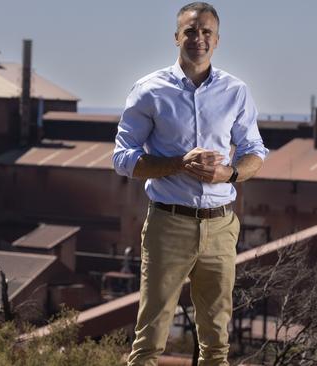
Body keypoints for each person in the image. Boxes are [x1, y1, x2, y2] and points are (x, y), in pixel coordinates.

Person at [112, 2, 268, 365]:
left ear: (217, 40)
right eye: (191, 31)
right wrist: (177, 164)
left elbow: (255, 151)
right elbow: (122, 158)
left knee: (216, 342)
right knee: (150, 339)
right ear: (176, 36)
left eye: (206, 32)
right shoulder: (150, 90)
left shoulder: (236, 91)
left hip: (221, 226)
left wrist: (227, 173)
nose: (198, 38)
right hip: (169, 223)